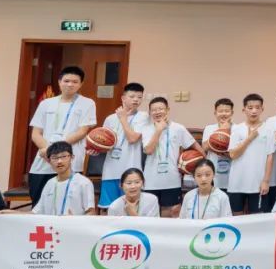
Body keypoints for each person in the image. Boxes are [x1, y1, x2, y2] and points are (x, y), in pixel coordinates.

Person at [27, 65, 97, 204]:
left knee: (68, 204)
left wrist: (55, 150)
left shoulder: (87, 103)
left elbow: (82, 131)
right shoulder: (46, 103)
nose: (70, 84)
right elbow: (36, 133)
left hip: (70, 160)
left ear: (81, 84)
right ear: (59, 82)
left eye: (75, 82)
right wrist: (49, 151)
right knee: (39, 203)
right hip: (44, 160)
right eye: (66, 81)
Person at [140, 96, 201, 217]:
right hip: (151, 180)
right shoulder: (146, 129)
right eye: (154, 110)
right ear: (150, 112)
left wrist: (205, 160)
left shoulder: (178, 128)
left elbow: (193, 144)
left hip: (172, 179)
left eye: (161, 109)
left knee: (170, 212)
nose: (157, 112)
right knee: (150, 213)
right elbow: (149, 150)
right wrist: (158, 130)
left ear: (167, 109)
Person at [98, 82, 148, 210]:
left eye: (139, 97)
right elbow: (104, 144)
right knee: (107, 208)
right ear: (123, 98)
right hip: (110, 170)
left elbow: (132, 138)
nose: (136, 100)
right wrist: (95, 149)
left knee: (131, 208)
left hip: (131, 171)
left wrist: (123, 119)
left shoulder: (143, 117)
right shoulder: (110, 119)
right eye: (132, 96)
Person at [227, 93, 274, 214]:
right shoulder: (236, 129)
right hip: (237, 183)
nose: (254, 111)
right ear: (244, 109)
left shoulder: (268, 129)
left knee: (257, 219)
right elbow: (233, 155)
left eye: (257, 107)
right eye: (250, 107)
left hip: (258, 184)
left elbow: (270, 157)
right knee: (236, 217)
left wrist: (266, 181)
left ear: (262, 109)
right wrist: (249, 138)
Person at [32, 142, 96, 215]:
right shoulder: (49, 183)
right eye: (55, 158)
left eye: (63, 156)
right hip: (52, 222)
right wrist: (20, 215)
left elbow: (91, 212)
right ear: (49, 161)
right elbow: (36, 212)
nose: (59, 161)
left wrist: (75, 220)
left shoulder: (84, 183)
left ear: (72, 157)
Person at [201, 97, 234, 192]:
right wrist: (222, 131)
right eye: (220, 111)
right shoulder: (209, 128)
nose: (224, 114)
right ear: (215, 113)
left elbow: (236, 152)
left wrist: (216, 145)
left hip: (231, 175)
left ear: (232, 113)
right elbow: (205, 147)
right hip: (212, 173)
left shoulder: (238, 128)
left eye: (227, 111)